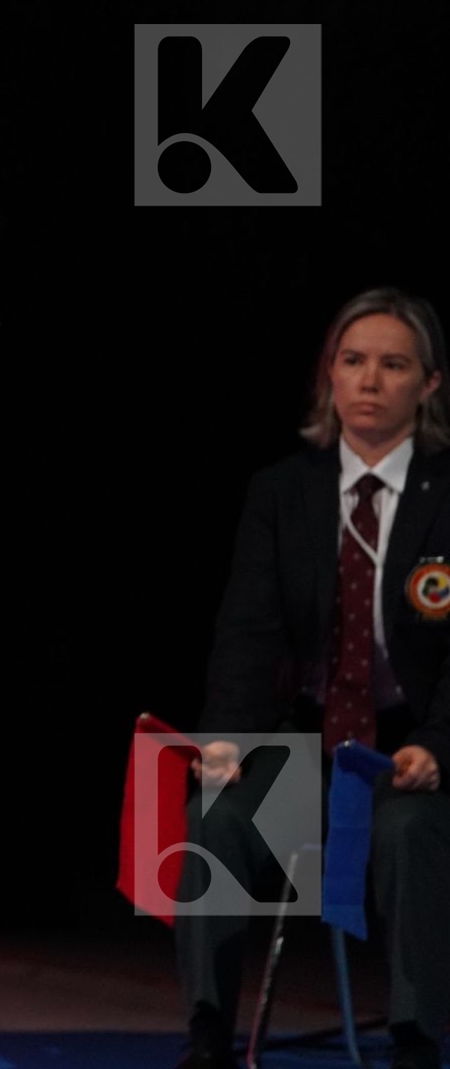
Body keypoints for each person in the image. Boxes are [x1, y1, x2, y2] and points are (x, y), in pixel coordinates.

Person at [175, 287, 450, 1069]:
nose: (369, 381)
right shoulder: (282, 493)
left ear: (428, 385)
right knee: (218, 816)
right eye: (353, 361)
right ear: (329, 375)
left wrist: (437, 746)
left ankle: (416, 1041)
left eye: (393, 365)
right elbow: (247, 633)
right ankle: (205, 1034)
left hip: (407, 754)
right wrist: (225, 738)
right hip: (309, 739)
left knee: (410, 831)